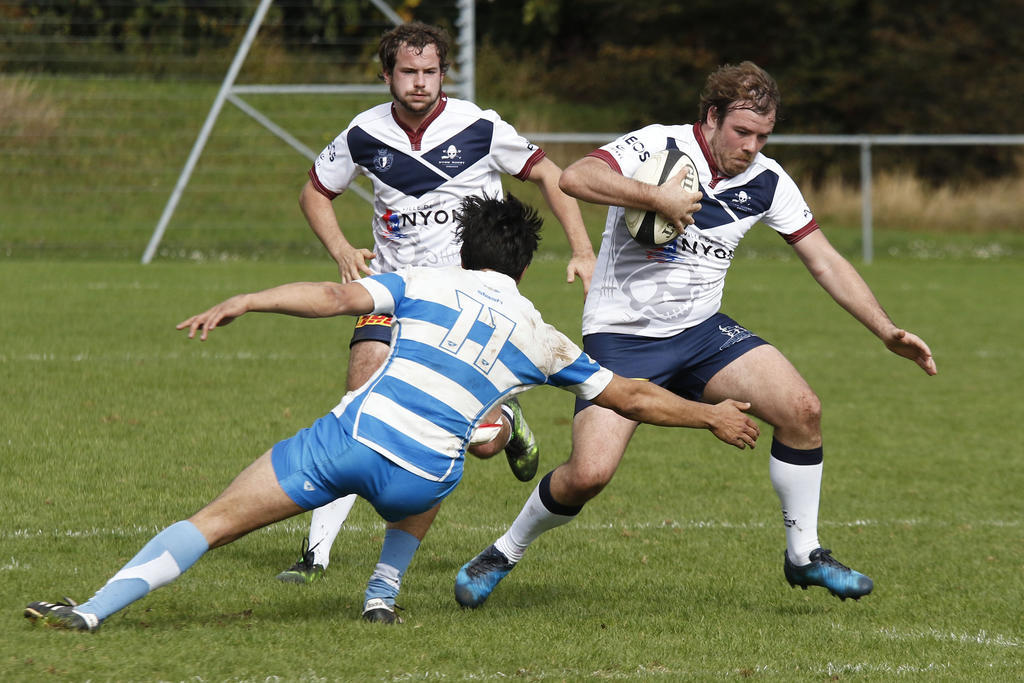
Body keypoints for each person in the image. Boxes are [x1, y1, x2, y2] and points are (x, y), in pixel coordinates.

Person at [24, 194, 757, 632]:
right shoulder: (545, 336)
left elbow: (337, 297)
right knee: (444, 454)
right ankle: (382, 593)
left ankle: (91, 609)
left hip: (349, 445)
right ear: (524, 267)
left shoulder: (428, 281)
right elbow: (626, 394)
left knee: (212, 521)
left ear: (465, 249)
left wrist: (247, 298)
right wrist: (710, 415)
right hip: (420, 484)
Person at [454, 61, 938, 609]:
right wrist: (654, 197)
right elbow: (575, 178)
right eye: (742, 132)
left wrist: (885, 329)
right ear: (711, 116)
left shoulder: (768, 181)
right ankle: (503, 550)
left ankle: (804, 555)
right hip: (622, 338)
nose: (752, 146)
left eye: (762, 136)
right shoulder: (659, 146)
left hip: (704, 334)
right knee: (587, 475)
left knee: (802, 409)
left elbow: (823, 260)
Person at [276, 20, 597, 594]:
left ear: (443, 73)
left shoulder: (479, 126)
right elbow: (314, 193)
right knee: (359, 399)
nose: (420, 83)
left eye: (430, 72)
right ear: (386, 75)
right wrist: (343, 249)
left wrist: (582, 248)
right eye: (408, 72)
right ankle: (315, 555)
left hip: (470, 300)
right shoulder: (363, 134)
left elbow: (551, 173)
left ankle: (507, 423)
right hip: (395, 290)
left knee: (480, 440)